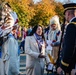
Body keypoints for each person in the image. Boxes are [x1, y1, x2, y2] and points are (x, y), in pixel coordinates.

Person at [59, 3, 76, 74]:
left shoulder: (71, 26)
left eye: (65, 14)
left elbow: (70, 47)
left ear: (68, 13)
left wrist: (63, 65)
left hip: (72, 65)